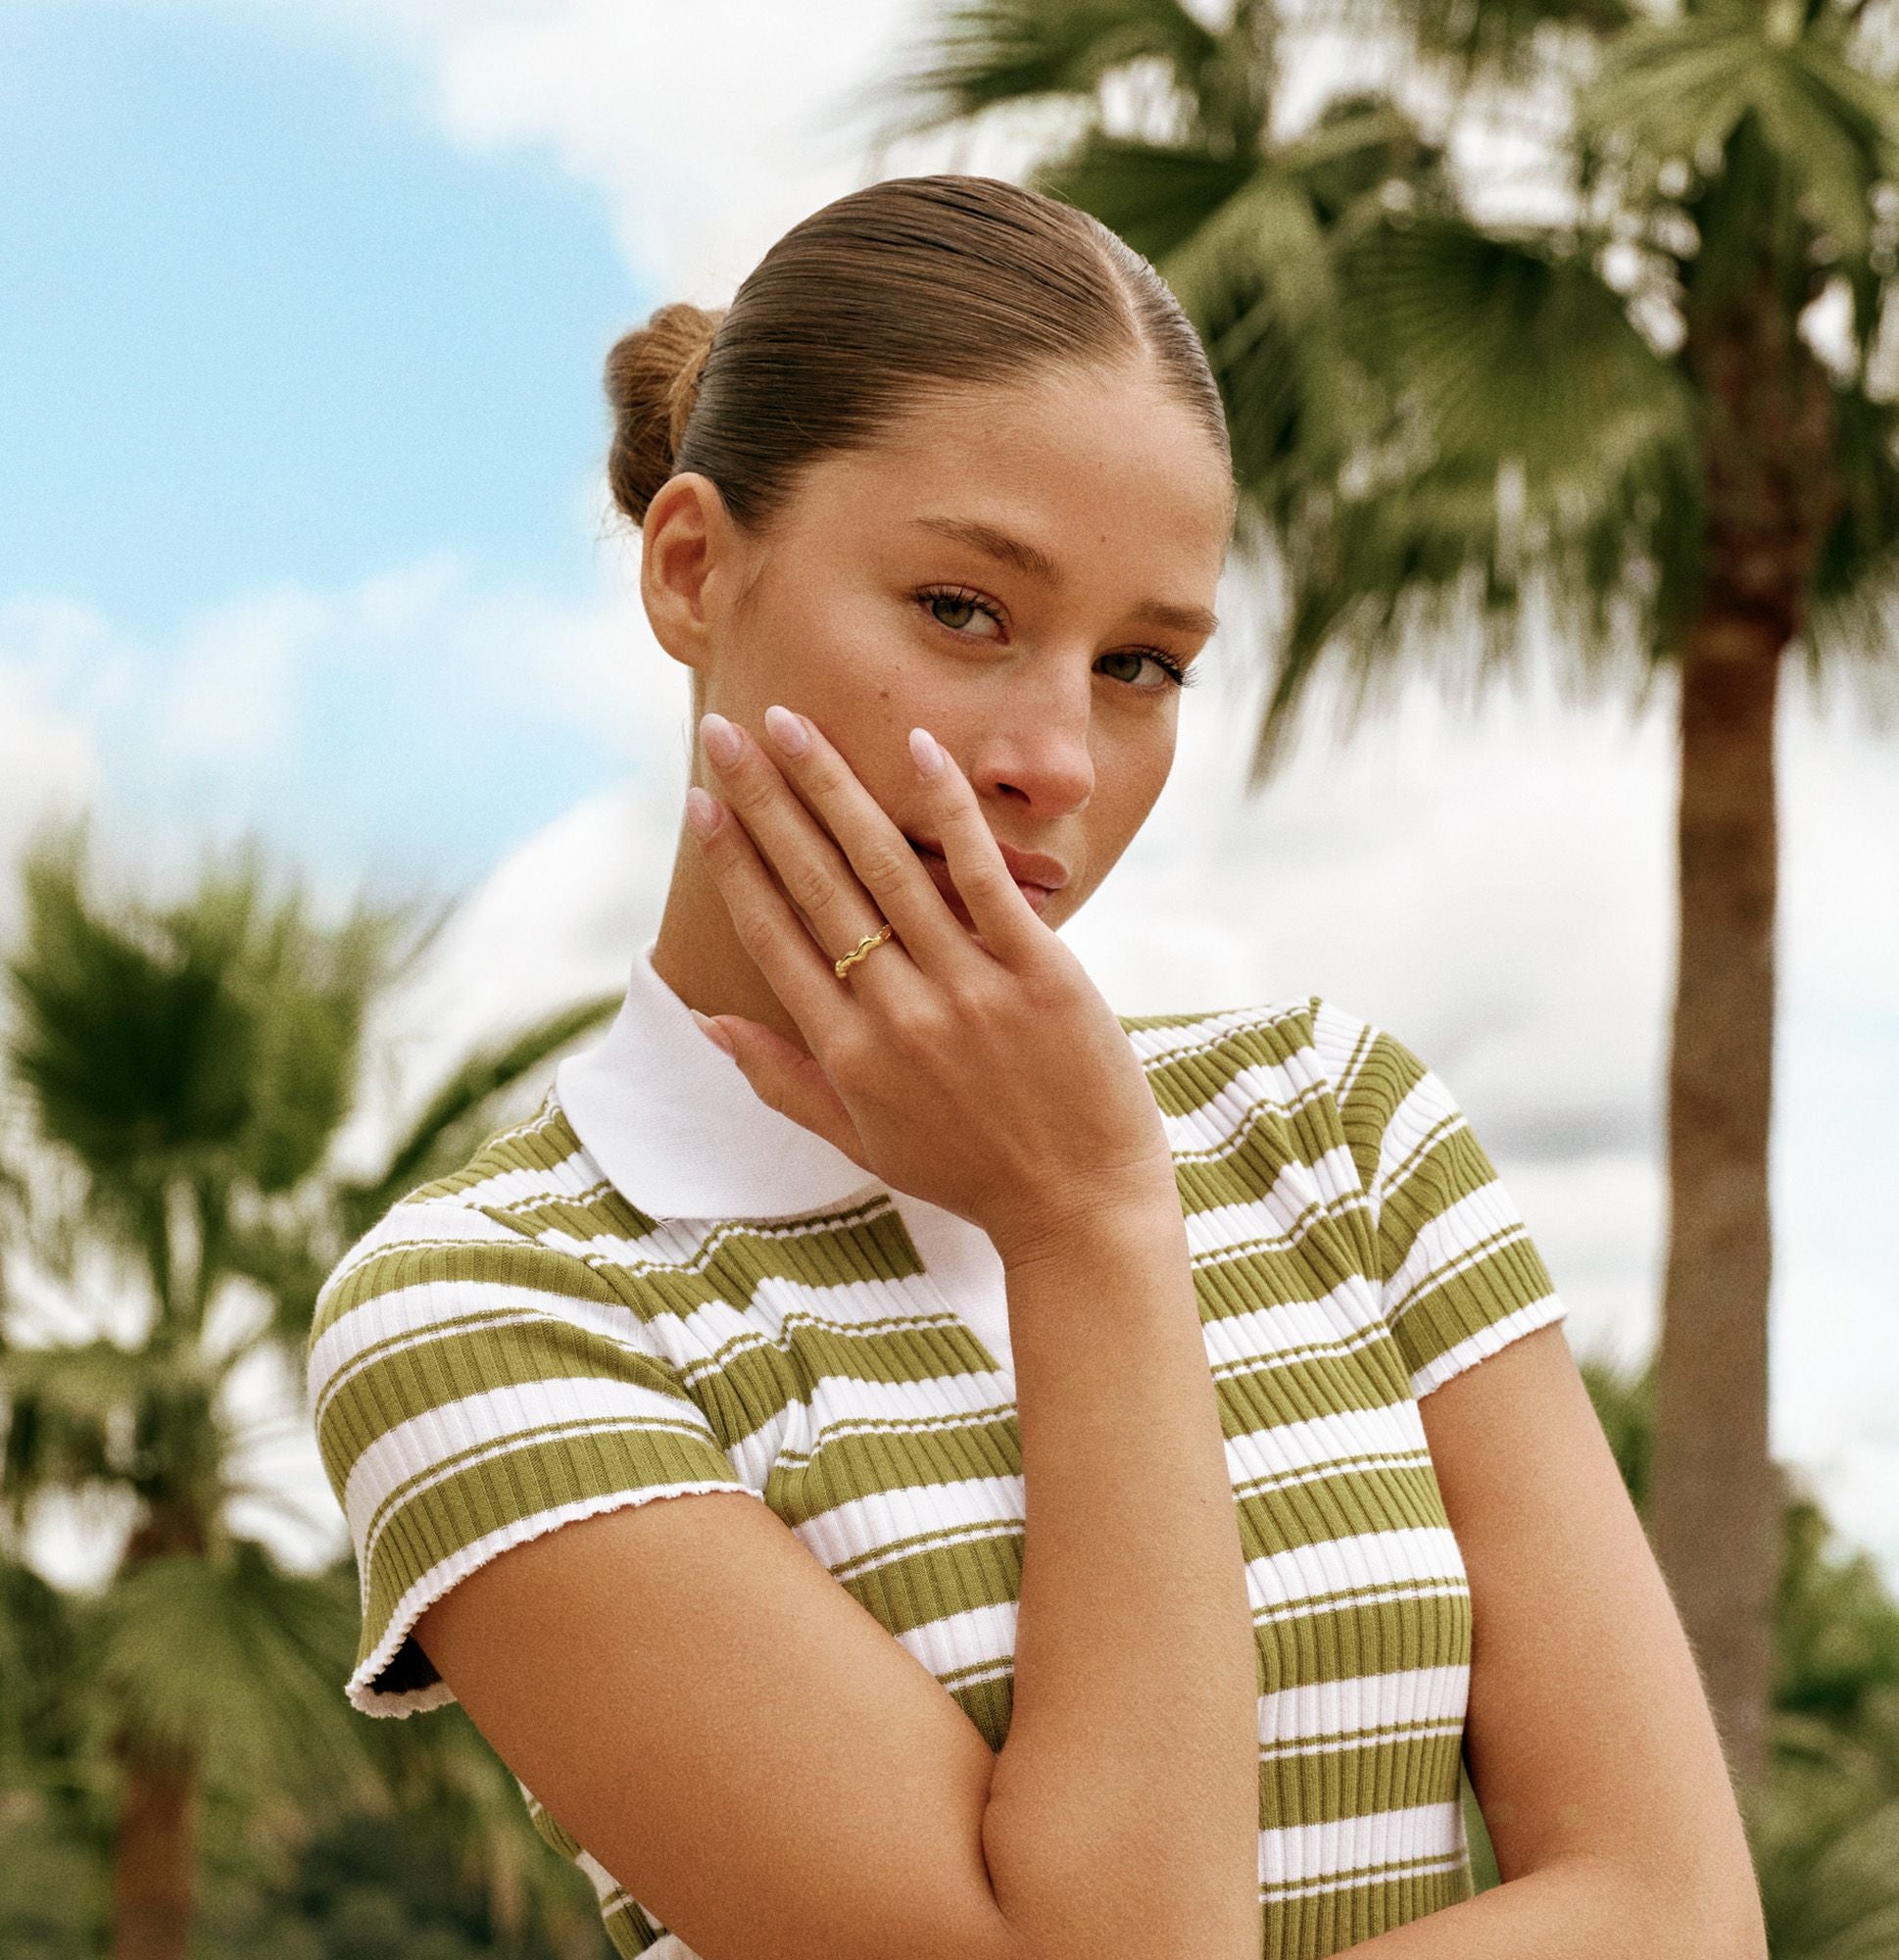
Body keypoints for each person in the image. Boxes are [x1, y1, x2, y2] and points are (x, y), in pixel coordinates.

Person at [306, 174, 1766, 1960]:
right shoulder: (495, 1308)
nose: (1057, 759)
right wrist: (1084, 1230)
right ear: (694, 570)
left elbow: (1682, 1915)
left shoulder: (1329, 1124)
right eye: (965, 610)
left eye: (1142, 662)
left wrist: (1107, 1199)